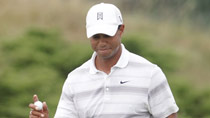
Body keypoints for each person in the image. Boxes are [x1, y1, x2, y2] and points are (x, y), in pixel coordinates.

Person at [29, 3, 179, 118]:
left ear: (121, 30)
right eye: (96, 37)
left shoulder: (150, 73)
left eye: (107, 35)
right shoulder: (74, 80)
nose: (102, 42)